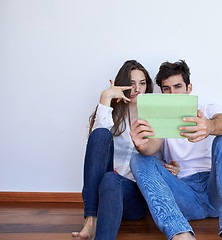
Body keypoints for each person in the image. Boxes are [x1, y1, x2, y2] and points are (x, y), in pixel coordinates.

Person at [130, 60, 222, 240]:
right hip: (184, 195)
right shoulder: (160, 118)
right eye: (167, 89)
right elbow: (151, 149)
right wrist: (141, 146)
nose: (173, 93)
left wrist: (209, 126)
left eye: (178, 86)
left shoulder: (207, 109)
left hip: (214, 191)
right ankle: (180, 233)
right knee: (138, 158)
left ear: (189, 88)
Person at [71, 60, 180, 240]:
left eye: (142, 83)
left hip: (133, 195)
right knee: (100, 136)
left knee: (113, 179)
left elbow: (158, 155)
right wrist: (106, 98)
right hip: (103, 190)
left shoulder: (156, 115)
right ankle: (90, 221)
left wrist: (171, 169)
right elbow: (95, 146)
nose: (137, 88)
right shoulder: (112, 114)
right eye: (131, 83)